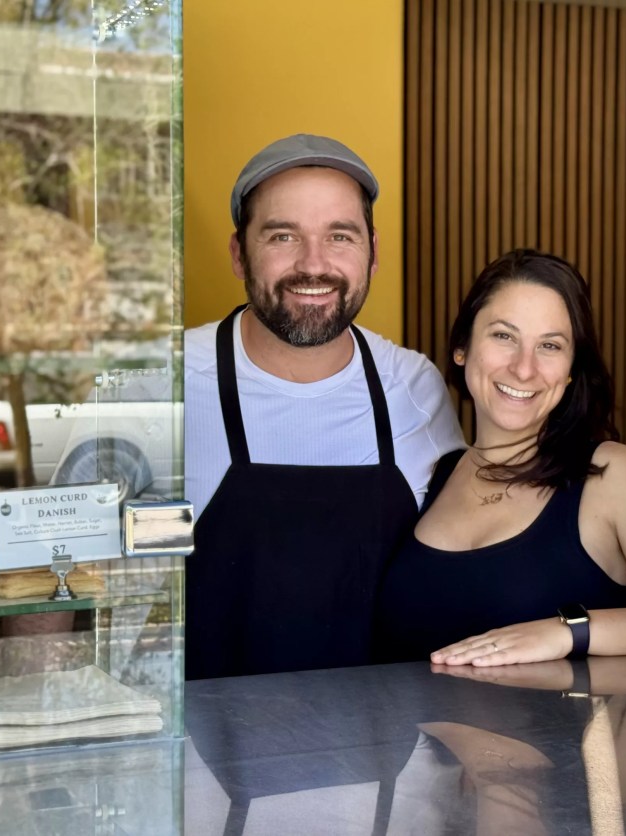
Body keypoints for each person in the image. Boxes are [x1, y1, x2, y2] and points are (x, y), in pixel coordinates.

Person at [374, 248, 626, 665]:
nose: (524, 368)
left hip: (558, 731)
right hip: (402, 731)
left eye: (550, 346)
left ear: (571, 369)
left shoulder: (610, 476)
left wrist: (569, 631)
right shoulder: (432, 472)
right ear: (462, 347)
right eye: (504, 336)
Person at [183, 134, 465, 680]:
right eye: (283, 235)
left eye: (340, 236)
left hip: (386, 752)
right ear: (239, 252)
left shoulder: (414, 387)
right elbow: (66, 558)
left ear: (373, 253)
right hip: (203, 755)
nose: (314, 265)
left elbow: (467, 560)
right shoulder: (164, 382)